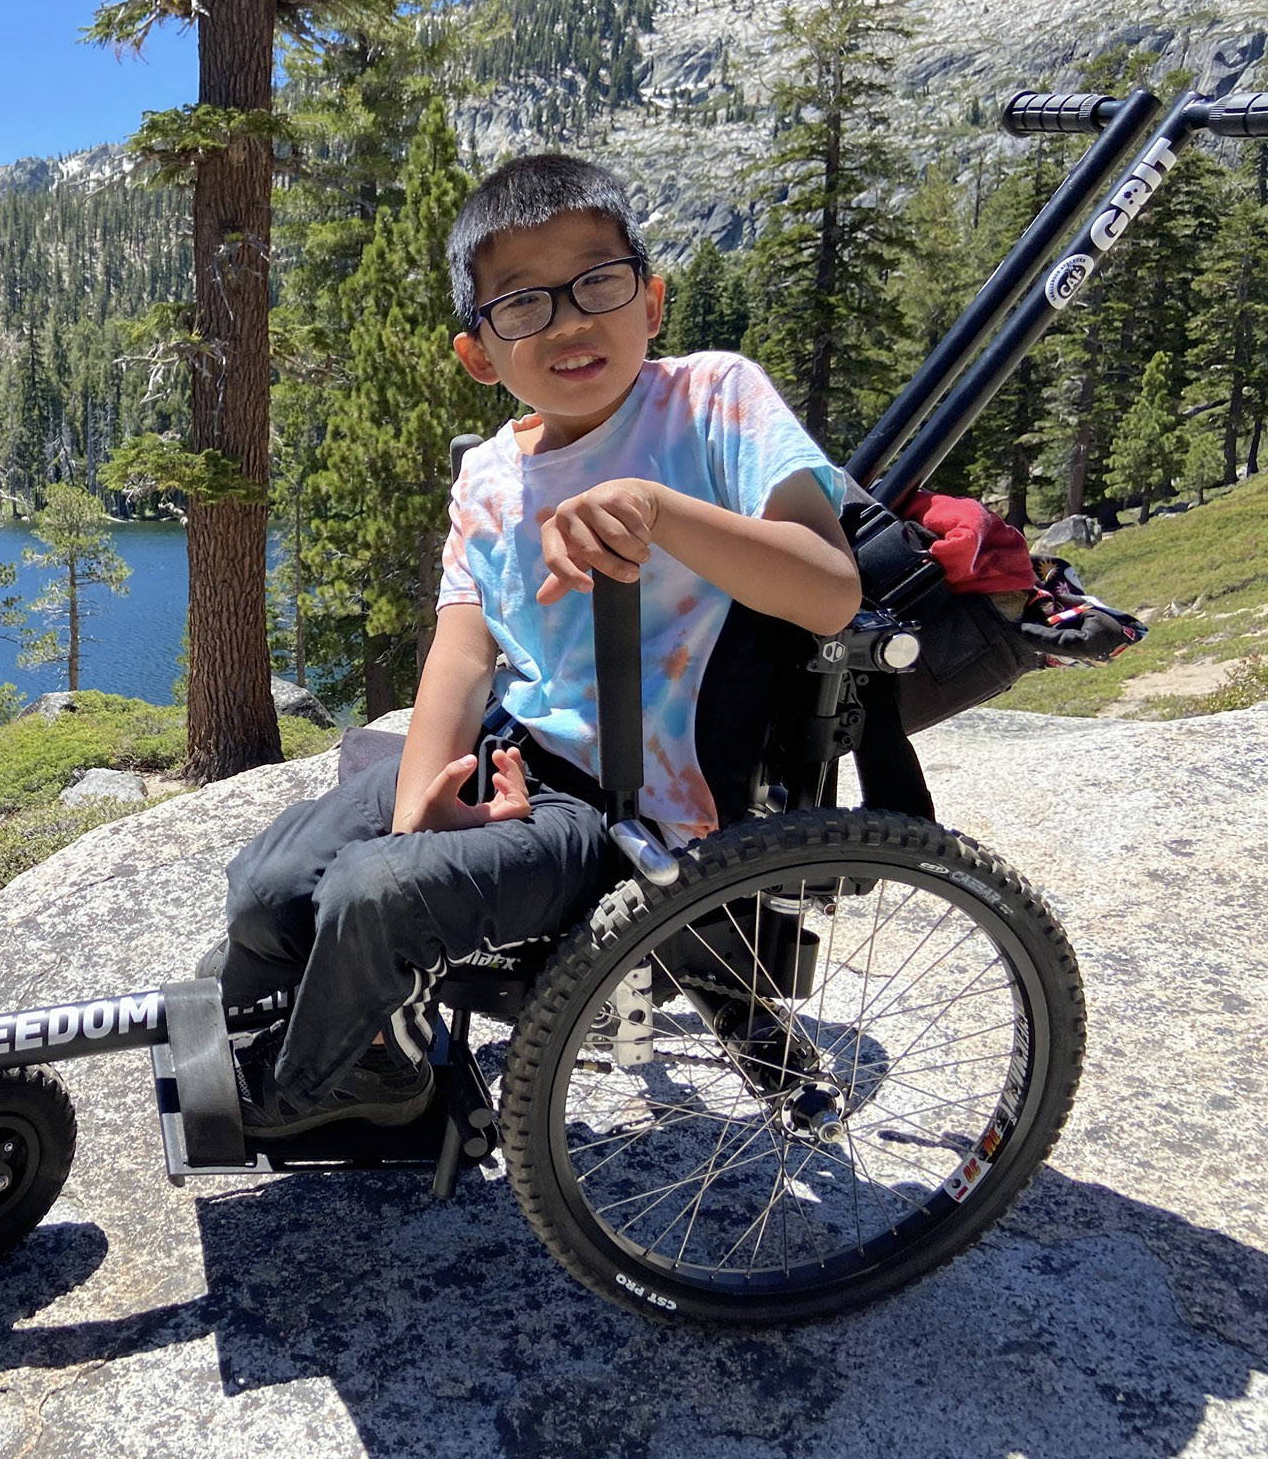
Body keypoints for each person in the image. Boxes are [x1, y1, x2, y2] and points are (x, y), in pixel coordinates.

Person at [219, 154, 861, 1138]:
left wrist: (659, 513)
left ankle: (316, 1087)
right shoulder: (487, 472)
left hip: (629, 813)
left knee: (368, 896)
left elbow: (826, 592)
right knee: (268, 885)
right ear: (479, 353)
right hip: (515, 755)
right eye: (520, 304)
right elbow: (462, 651)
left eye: (594, 284)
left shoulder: (709, 402)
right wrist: (421, 803)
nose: (566, 321)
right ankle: (288, 1029)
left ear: (648, 301)